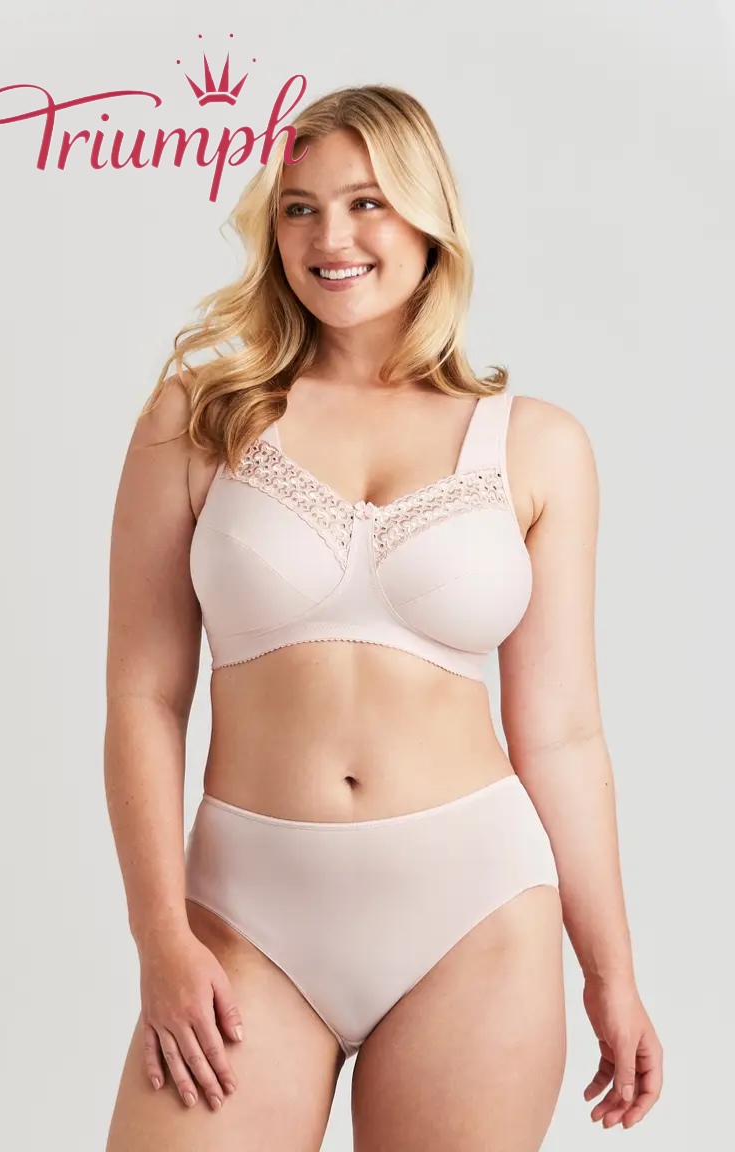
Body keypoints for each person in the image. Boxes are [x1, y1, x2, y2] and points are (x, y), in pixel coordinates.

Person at [103, 84, 663, 1151]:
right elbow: (143, 698)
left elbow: (561, 734)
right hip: (242, 920)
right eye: (299, 208)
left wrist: (612, 974)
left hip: (476, 919)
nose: (332, 238)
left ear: (429, 220)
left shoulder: (537, 445)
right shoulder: (200, 418)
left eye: (368, 203)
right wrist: (159, 937)